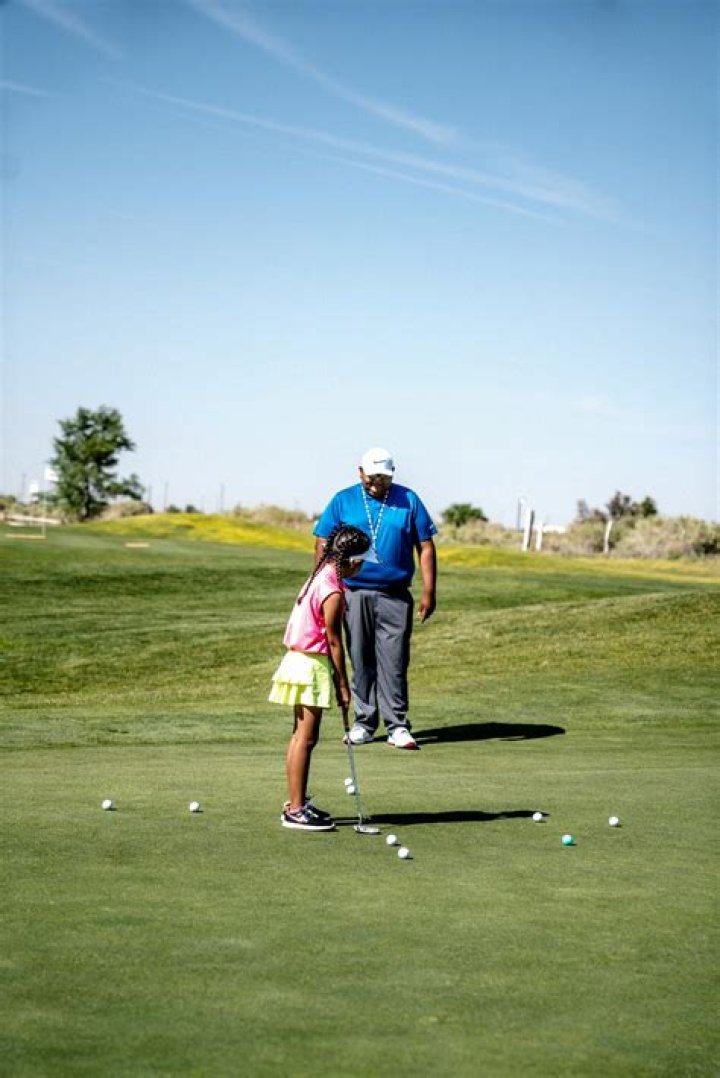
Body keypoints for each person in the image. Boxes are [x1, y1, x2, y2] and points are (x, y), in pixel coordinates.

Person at [314, 448, 437, 750]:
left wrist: (429, 591)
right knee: (360, 658)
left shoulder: (408, 500)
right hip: (353, 592)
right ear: (360, 472)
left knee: (394, 662)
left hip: (395, 594)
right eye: (371, 477)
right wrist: (323, 584)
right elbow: (322, 540)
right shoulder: (343, 500)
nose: (376, 483)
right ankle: (364, 723)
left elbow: (425, 545)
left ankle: (397, 726)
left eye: (382, 477)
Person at [269, 524, 375, 832]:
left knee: (299, 737)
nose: (362, 567)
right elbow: (334, 641)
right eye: (361, 562)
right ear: (351, 561)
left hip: (298, 662)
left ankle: (296, 802)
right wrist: (343, 685)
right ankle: (296, 810)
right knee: (306, 738)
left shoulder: (319, 575)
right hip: (310, 666)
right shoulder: (333, 590)